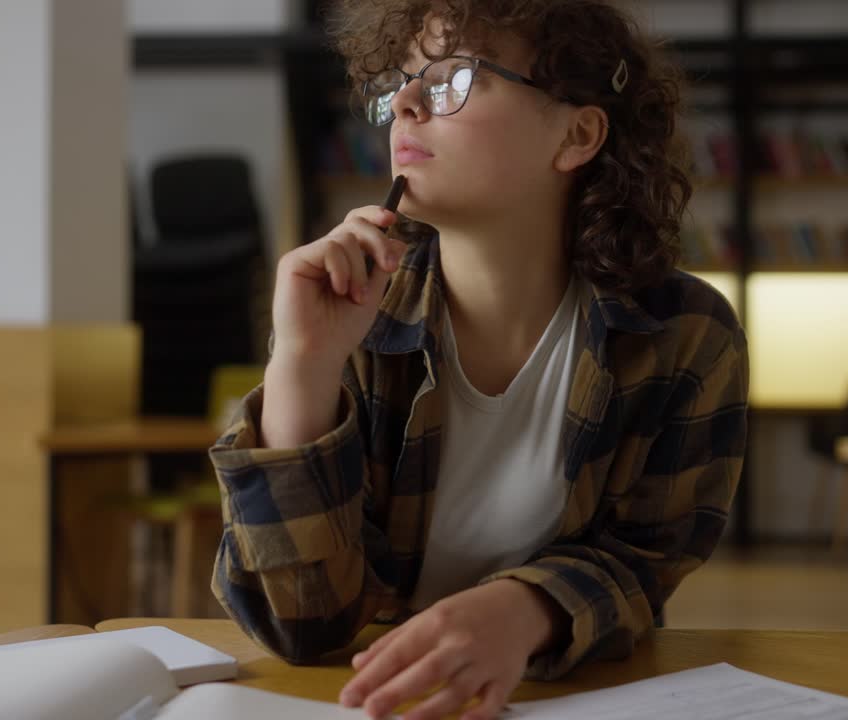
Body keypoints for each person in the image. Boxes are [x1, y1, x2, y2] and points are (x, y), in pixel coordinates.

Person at [208, 2, 749, 718]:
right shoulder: (353, 318)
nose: (402, 105)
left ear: (577, 133)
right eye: (399, 84)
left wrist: (521, 611)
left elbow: (643, 567)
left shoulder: (684, 335)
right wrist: (303, 368)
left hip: (574, 700)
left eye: (450, 80)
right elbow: (300, 626)